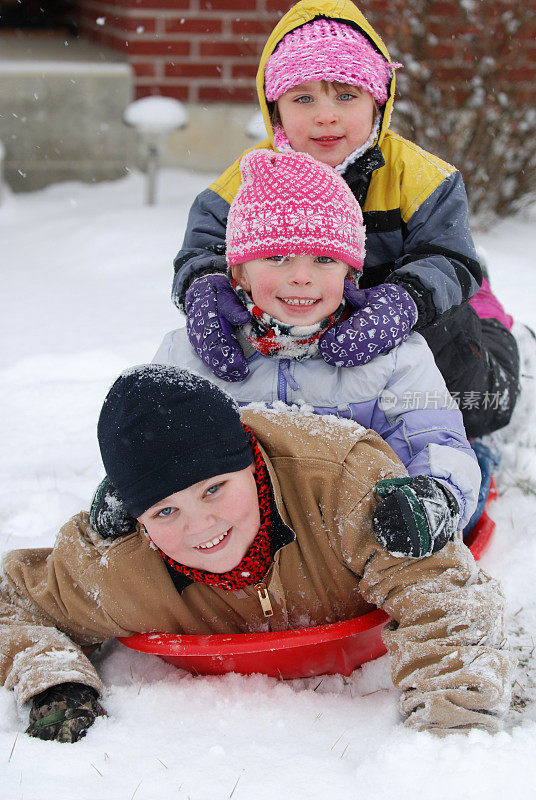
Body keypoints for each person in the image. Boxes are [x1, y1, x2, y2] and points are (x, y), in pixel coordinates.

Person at [0, 365, 514, 742]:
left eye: (214, 489)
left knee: (469, 453)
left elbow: (442, 596)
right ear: (138, 520)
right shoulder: (121, 569)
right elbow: (14, 601)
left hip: (389, 444)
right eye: (164, 512)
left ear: (250, 463)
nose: (201, 526)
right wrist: (52, 676)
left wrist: (454, 731)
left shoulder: (339, 487)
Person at [171, 0, 520, 440]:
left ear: (377, 102)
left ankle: (487, 355)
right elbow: (202, 246)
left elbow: (449, 256)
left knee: (469, 394)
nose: (326, 115)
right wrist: (203, 286)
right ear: (275, 109)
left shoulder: (423, 178)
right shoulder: (248, 178)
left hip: (424, 316)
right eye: (303, 98)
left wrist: (406, 301)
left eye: (346, 95)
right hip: (316, 316)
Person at [154, 147, 481, 550]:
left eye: (325, 259)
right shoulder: (188, 354)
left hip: (358, 537)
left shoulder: (395, 354)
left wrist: (435, 495)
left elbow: (434, 436)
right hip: (231, 543)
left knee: (434, 572)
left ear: (351, 272)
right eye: (276, 257)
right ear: (239, 270)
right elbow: (152, 443)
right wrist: (129, 491)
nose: (302, 278)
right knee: (120, 562)